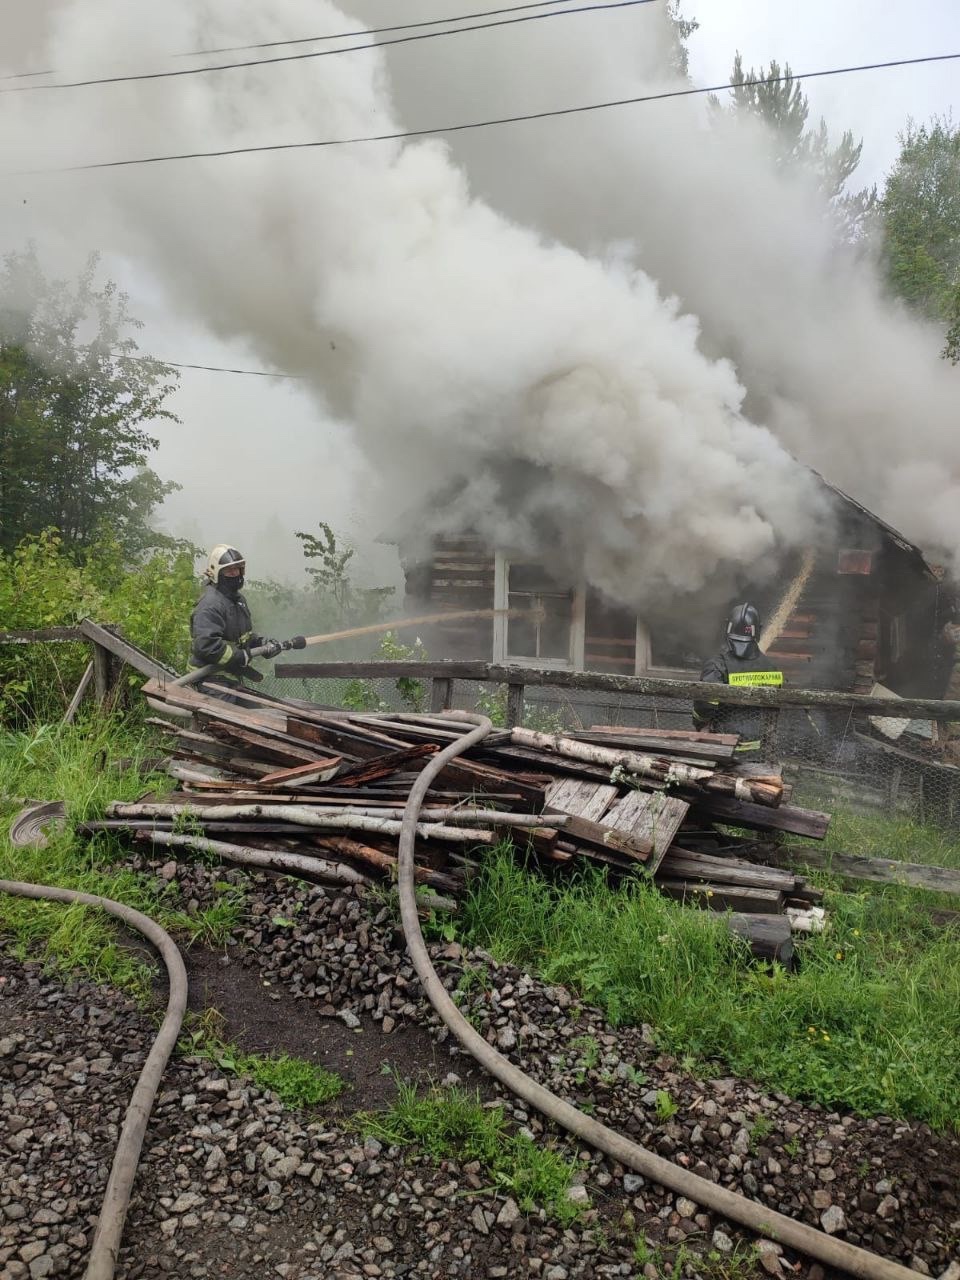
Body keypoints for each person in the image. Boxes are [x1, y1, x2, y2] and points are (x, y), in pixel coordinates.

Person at [693, 602, 784, 755]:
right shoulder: (772, 668)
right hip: (758, 749)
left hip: (722, 748)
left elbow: (705, 705)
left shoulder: (718, 665)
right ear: (758, 631)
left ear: (728, 629)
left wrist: (699, 724)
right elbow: (772, 711)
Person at [189, 545, 281, 692]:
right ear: (216, 573)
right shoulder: (210, 604)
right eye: (228, 570)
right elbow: (206, 646)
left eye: (237, 569)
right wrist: (239, 656)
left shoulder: (238, 600)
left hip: (230, 678)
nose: (234, 574)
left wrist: (261, 644)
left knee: (257, 711)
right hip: (209, 679)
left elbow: (243, 637)